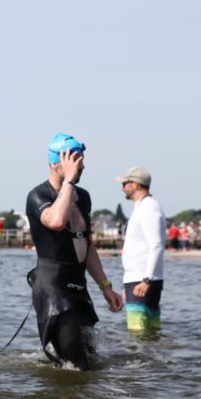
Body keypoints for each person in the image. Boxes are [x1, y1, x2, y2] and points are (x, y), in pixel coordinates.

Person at [25, 134, 123, 370]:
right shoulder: (38, 195)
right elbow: (57, 221)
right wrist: (68, 182)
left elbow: (87, 246)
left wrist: (105, 287)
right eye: (75, 160)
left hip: (78, 287)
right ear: (55, 163)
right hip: (53, 289)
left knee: (91, 358)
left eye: (81, 160)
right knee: (78, 366)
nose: (82, 166)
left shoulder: (84, 197)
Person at [117, 167, 166, 333]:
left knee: (137, 331)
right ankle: (151, 358)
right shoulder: (142, 207)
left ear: (135, 184)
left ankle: (140, 359)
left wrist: (146, 280)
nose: (122, 187)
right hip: (137, 278)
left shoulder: (148, 208)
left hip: (142, 280)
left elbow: (156, 245)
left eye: (125, 183)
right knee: (150, 331)